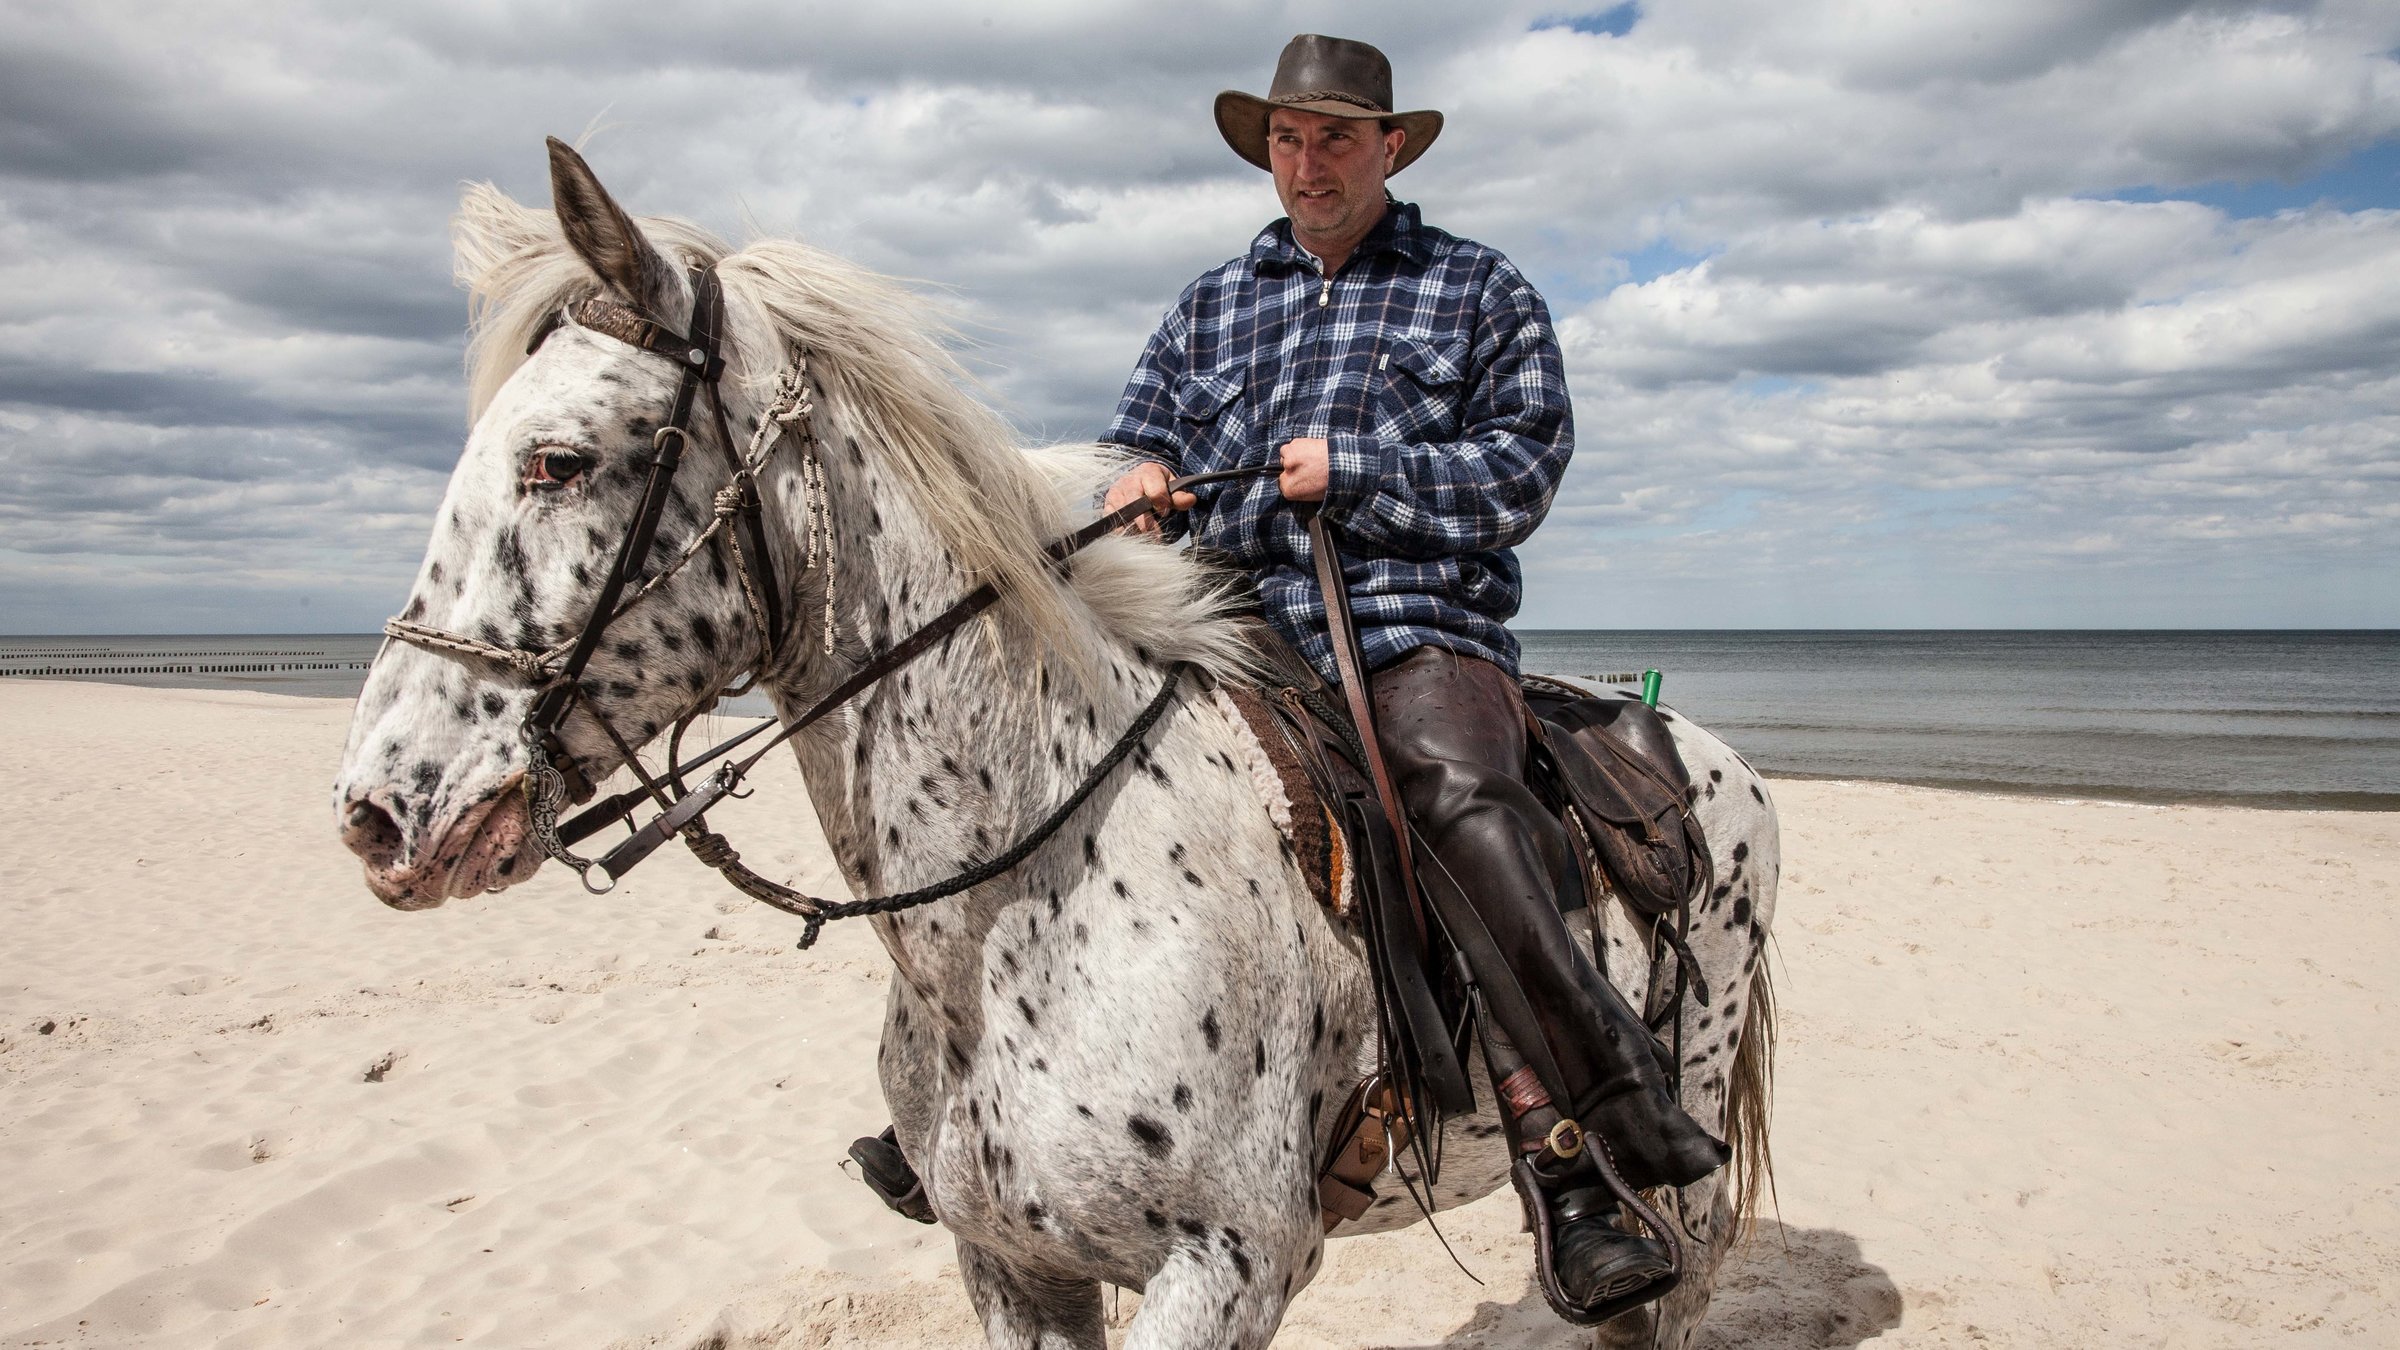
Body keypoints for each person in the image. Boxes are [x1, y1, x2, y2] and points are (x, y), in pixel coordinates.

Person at [1098, 33, 1728, 1321]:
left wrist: (1363, 472)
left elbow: (1523, 471)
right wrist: (1131, 485)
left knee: (1456, 805)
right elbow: (1138, 433)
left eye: (1335, 137)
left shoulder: (1478, 289)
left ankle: (1581, 1156)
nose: (1307, 161)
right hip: (1229, 628)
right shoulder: (1210, 302)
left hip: (1410, 629)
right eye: (1286, 136)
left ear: (1392, 147)